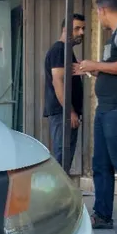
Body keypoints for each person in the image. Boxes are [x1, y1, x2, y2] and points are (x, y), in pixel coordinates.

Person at [76, 0, 117, 229]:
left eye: (98, 13)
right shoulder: (113, 35)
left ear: (102, 10)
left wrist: (96, 64)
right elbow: (115, 67)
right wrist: (96, 70)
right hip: (106, 108)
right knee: (101, 164)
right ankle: (103, 215)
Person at [43, 14, 85, 174]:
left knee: (64, 159)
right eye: (77, 28)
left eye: (83, 29)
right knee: (61, 160)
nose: (81, 32)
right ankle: (56, 198)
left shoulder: (65, 50)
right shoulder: (60, 50)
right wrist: (70, 112)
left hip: (63, 113)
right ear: (65, 29)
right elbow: (58, 81)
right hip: (63, 113)